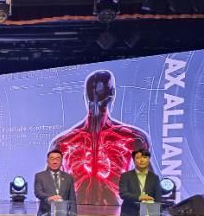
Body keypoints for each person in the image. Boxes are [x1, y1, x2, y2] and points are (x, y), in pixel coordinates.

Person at [50, 70, 150, 206]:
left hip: (115, 212)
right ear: (113, 94)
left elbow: (150, 187)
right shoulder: (63, 143)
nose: (96, 100)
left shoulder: (133, 139)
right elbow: (48, 188)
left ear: (84, 96)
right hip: (78, 212)